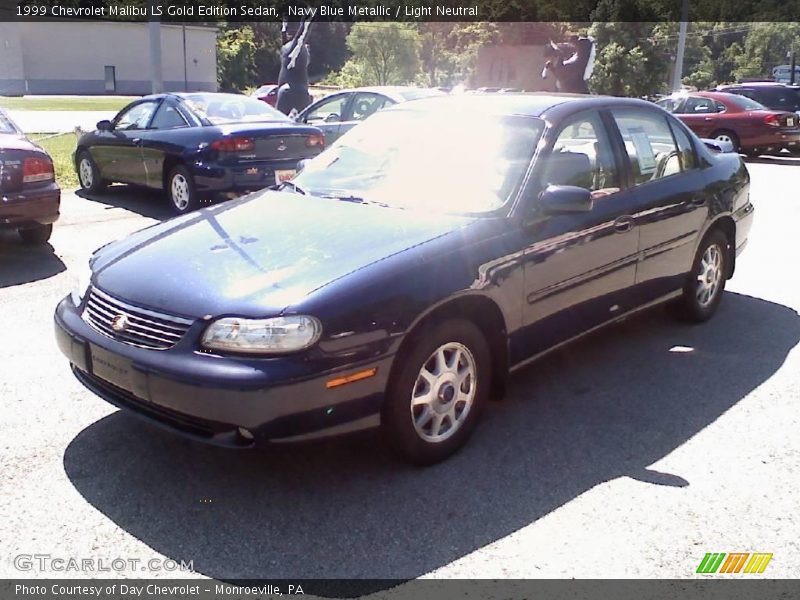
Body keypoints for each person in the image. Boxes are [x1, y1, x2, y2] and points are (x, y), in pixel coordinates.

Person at [277, 19, 313, 116]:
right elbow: (300, 38)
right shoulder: (297, 50)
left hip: (285, 92)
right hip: (299, 92)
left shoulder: (288, 50)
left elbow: (294, 41)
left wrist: (284, 27)